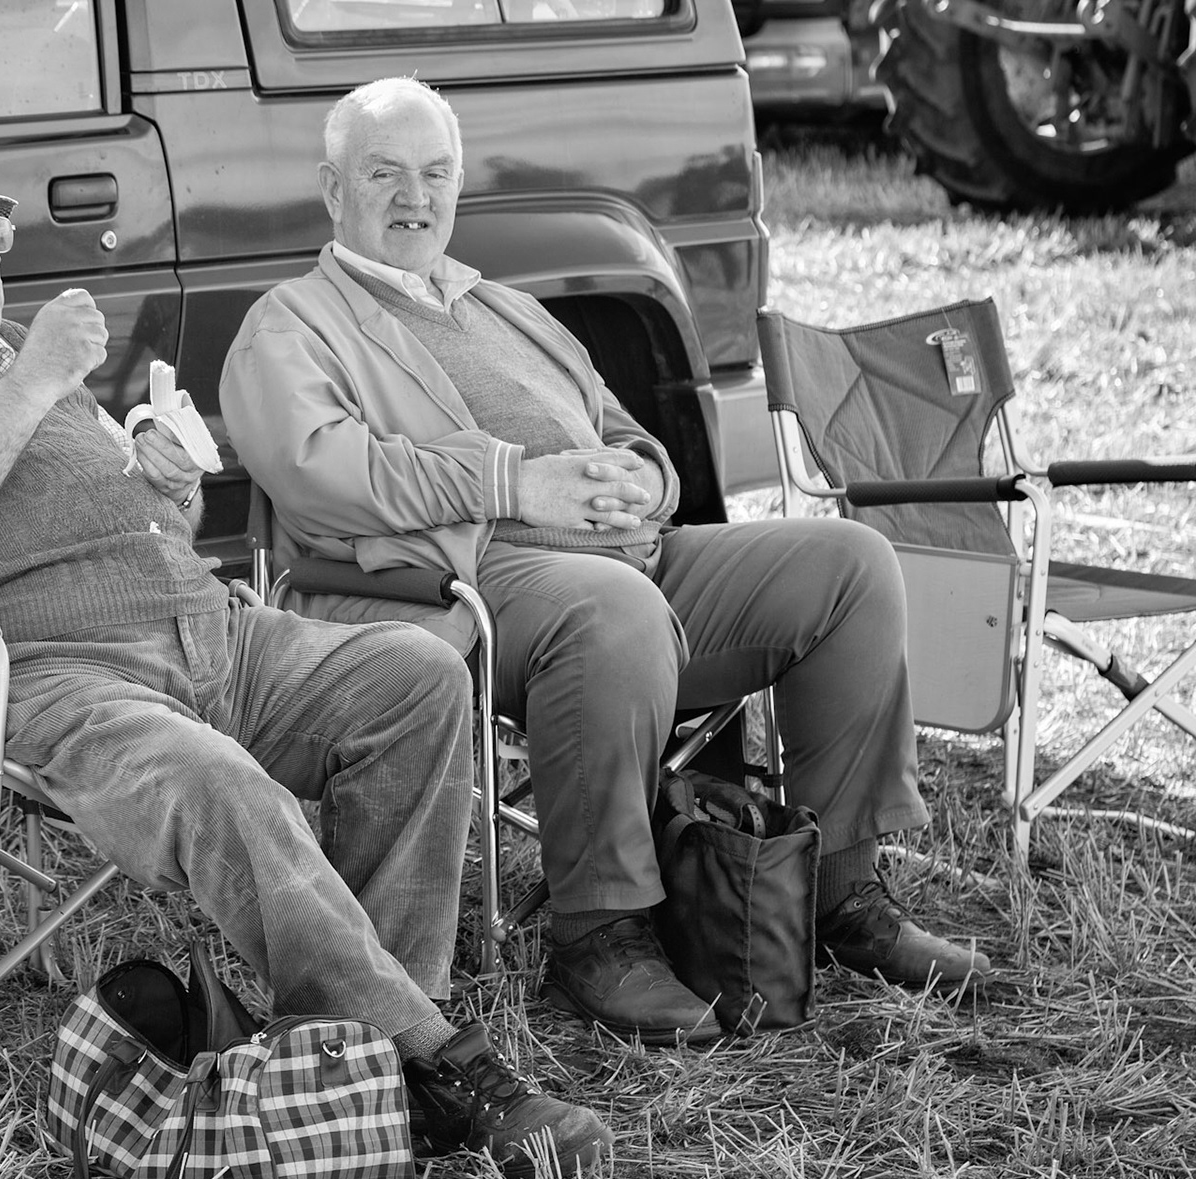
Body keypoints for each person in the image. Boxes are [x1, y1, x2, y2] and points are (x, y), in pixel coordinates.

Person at [0, 125, 611, 1179]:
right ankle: (434, 1059)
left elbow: (117, 509)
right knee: (221, 783)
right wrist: (31, 386)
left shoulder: (8, 355)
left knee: (416, 675)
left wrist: (165, 480)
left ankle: (359, 1055)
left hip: (209, 630)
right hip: (49, 670)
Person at [220, 78, 992, 1048]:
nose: (414, 195)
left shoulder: (502, 305)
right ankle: (603, 930)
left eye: (435, 172)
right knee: (612, 609)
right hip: (465, 575)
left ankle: (840, 891)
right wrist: (514, 482)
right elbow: (316, 472)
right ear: (334, 188)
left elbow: (619, 426)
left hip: (628, 554)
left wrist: (644, 476)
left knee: (850, 563)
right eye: (384, 173)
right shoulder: (291, 323)